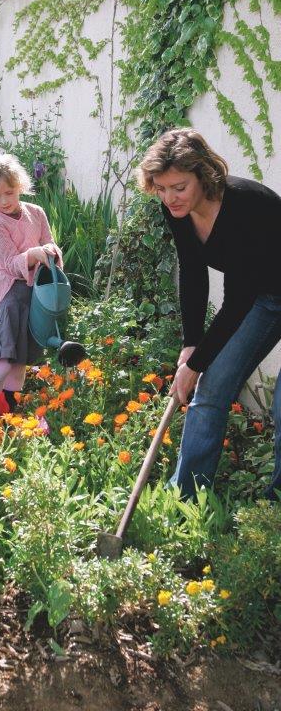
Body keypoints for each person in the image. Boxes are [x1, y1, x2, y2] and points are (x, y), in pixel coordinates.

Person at [137, 127, 281, 500]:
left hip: (254, 294)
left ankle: (274, 507)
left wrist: (195, 362)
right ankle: (185, 496)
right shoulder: (177, 209)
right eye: (161, 187)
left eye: (179, 187)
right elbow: (193, 270)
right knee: (211, 387)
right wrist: (190, 345)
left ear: (203, 174)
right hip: (265, 297)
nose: (169, 197)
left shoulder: (248, 205)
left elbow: (237, 300)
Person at [0, 152, 62, 420]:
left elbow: (50, 243)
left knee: (20, 361)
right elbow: (12, 264)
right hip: (8, 296)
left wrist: (50, 251)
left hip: (33, 295)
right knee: (3, 361)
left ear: (20, 186)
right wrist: (33, 255)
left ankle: (8, 413)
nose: (3, 201)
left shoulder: (36, 213)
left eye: (9, 193)